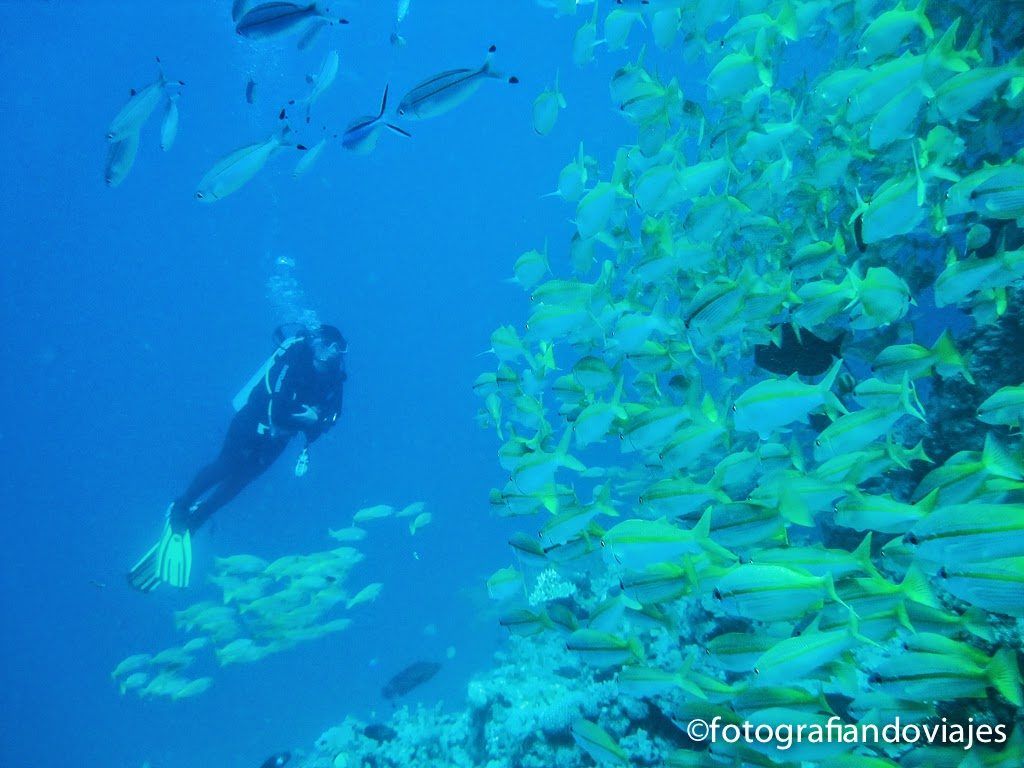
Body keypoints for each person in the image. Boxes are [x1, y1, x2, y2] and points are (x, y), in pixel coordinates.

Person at [128, 323, 348, 592]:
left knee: (239, 483)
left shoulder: (336, 379)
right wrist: (309, 418)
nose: (329, 352)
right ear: (315, 343)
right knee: (226, 466)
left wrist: (315, 419)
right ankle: (181, 507)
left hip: (277, 439)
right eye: (325, 344)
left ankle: (197, 520)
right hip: (250, 422)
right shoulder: (294, 359)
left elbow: (333, 417)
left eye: (337, 348)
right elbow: (277, 409)